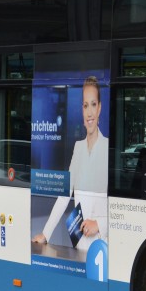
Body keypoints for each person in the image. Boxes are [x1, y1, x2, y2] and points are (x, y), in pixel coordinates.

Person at [33, 76, 109, 246]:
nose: (89, 112)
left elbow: (122, 205)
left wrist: (100, 224)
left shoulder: (107, 147)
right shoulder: (78, 147)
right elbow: (64, 195)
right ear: (82, 110)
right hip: (80, 241)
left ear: (99, 108)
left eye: (93, 104)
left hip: (101, 242)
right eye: (85, 105)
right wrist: (45, 234)